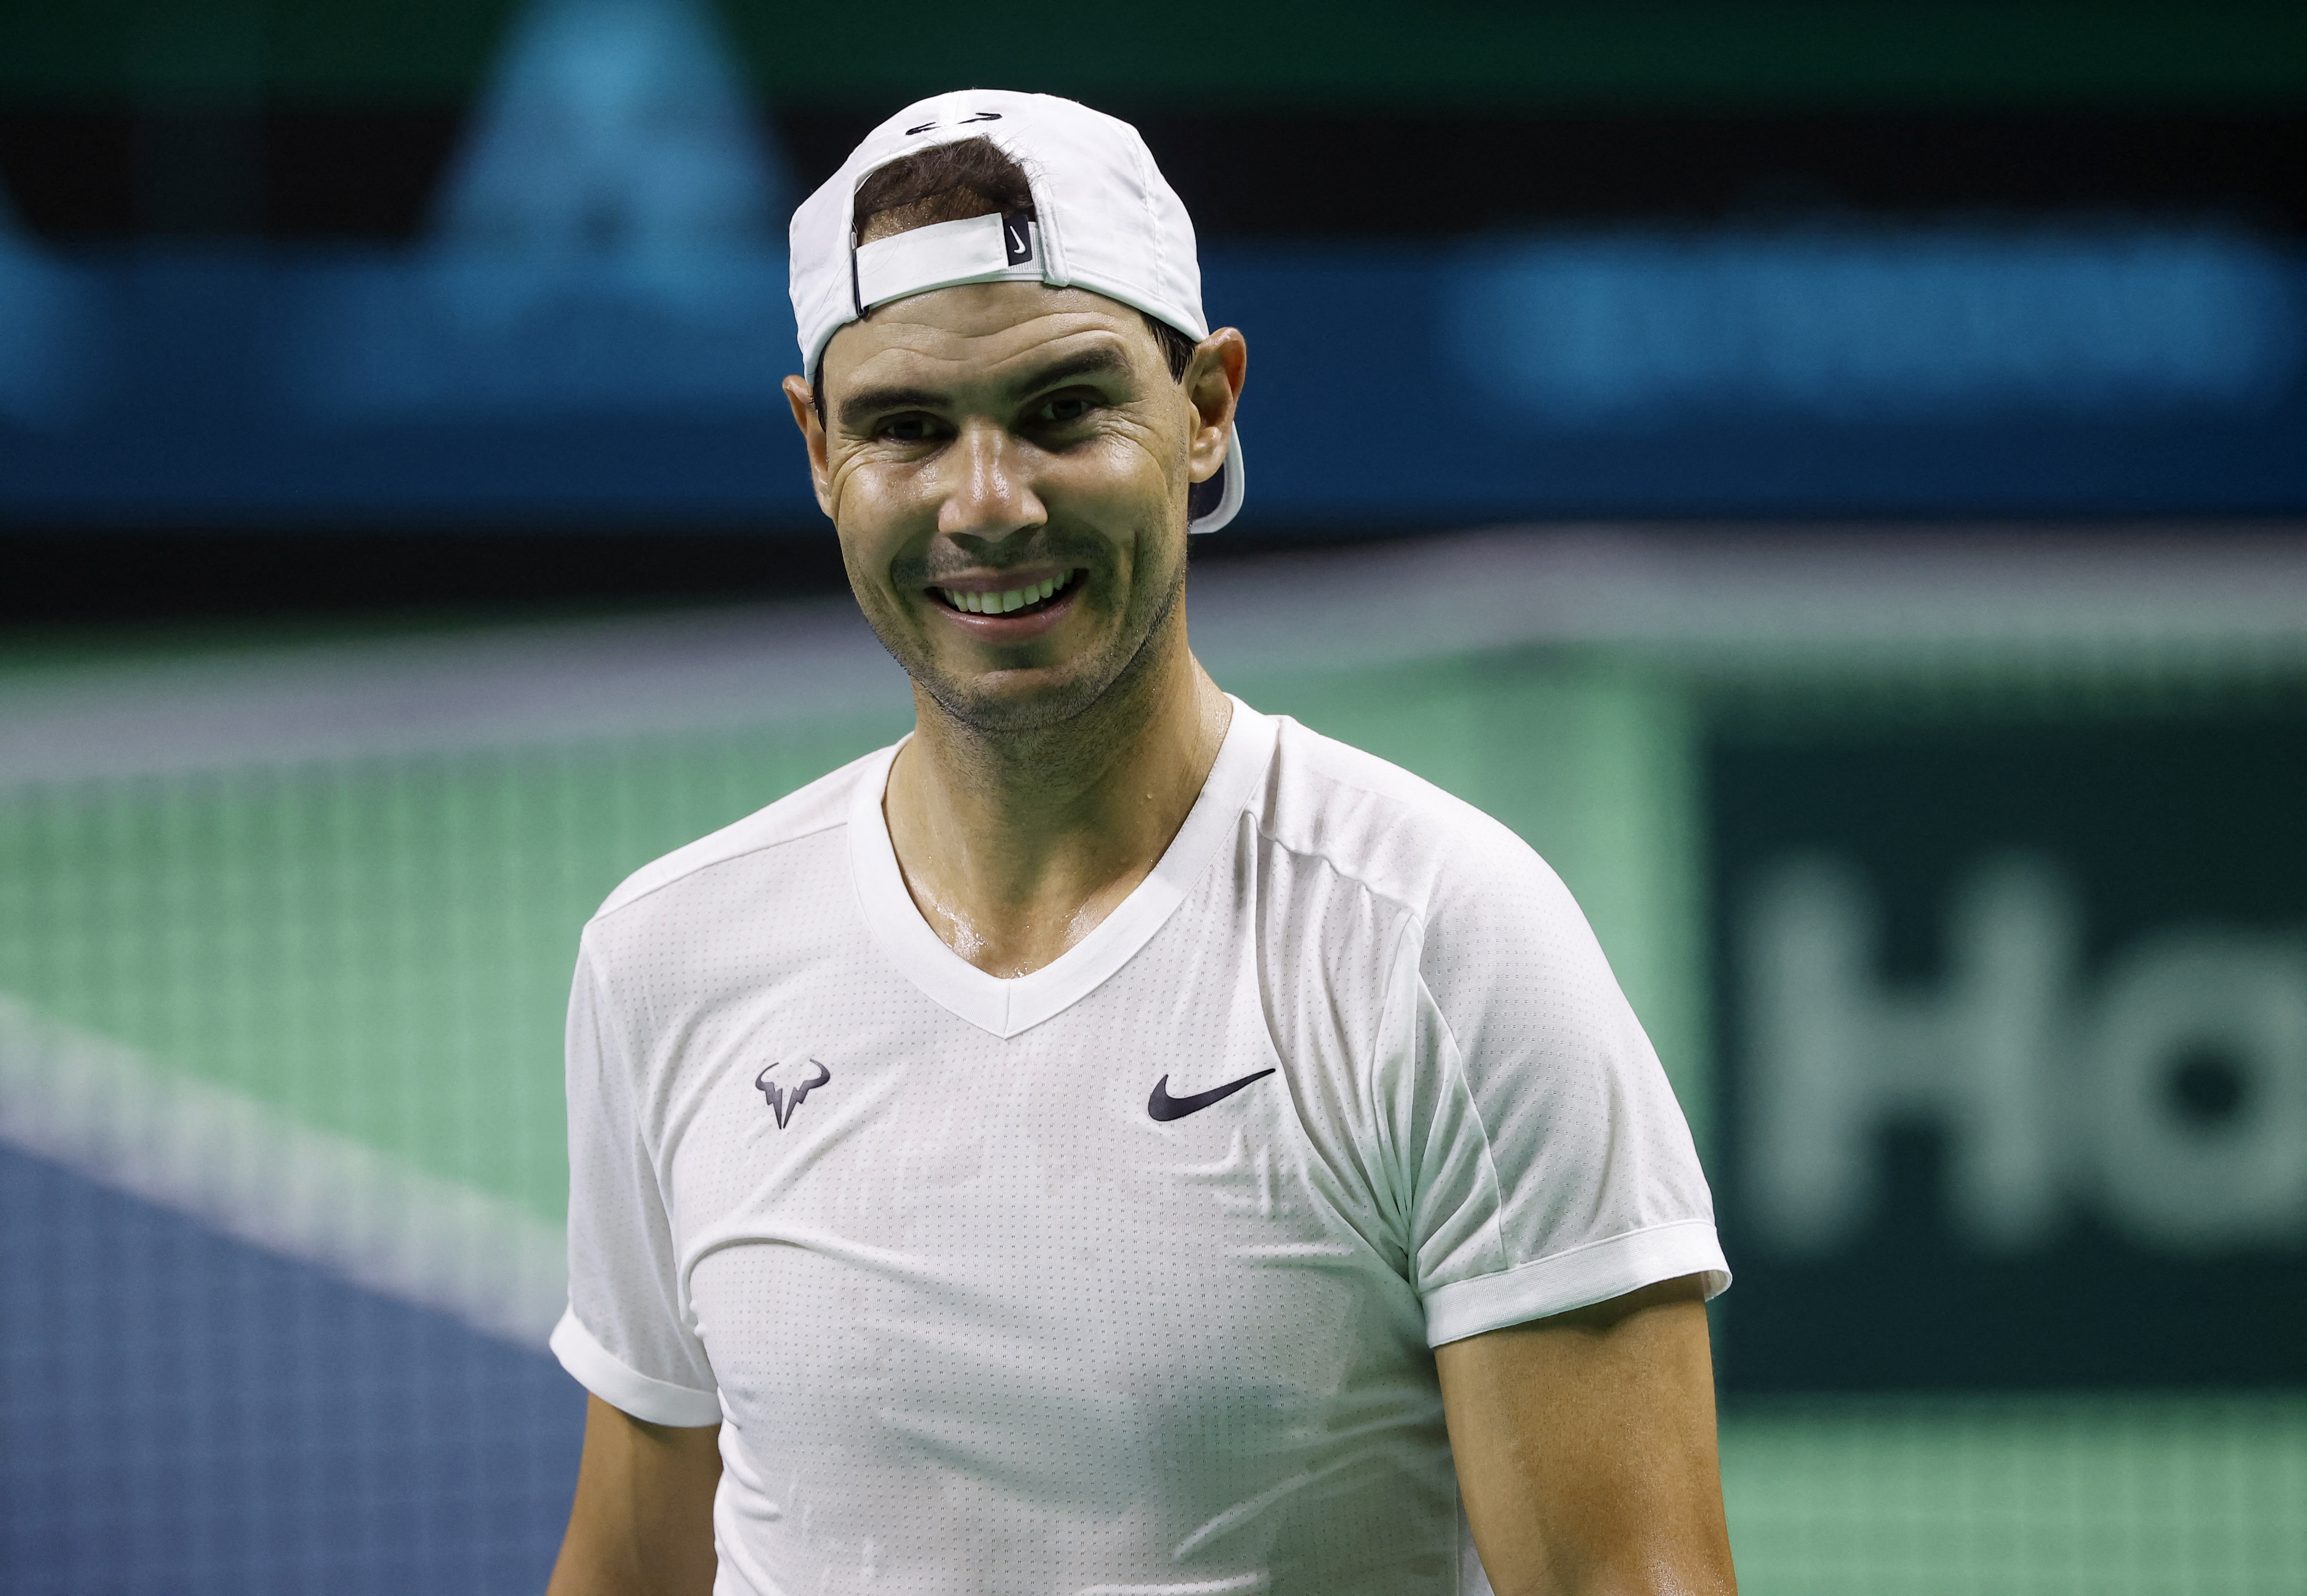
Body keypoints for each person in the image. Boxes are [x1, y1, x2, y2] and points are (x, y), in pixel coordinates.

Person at [545, 89, 1735, 1596]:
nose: (988, 503)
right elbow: (631, 1566)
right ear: (816, 450)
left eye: (1061, 410)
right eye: (907, 429)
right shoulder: (668, 958)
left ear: (1206, 408)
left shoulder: (1437, 941)